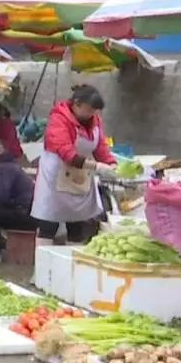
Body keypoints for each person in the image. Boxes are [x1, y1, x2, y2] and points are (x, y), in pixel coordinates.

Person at [32, 85, 116, 245]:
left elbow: (100, 147)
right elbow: (66, 152)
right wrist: (96, 166)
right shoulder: (58, 119)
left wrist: (111, 163)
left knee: (77, 224)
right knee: (48, 223)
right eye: (89, 109)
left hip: (80, 178)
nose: (92, 114)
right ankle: (43, 264)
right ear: (76, 104)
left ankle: (71, 265)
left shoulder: (94, 121)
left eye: (95, 111)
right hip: (55, 179)